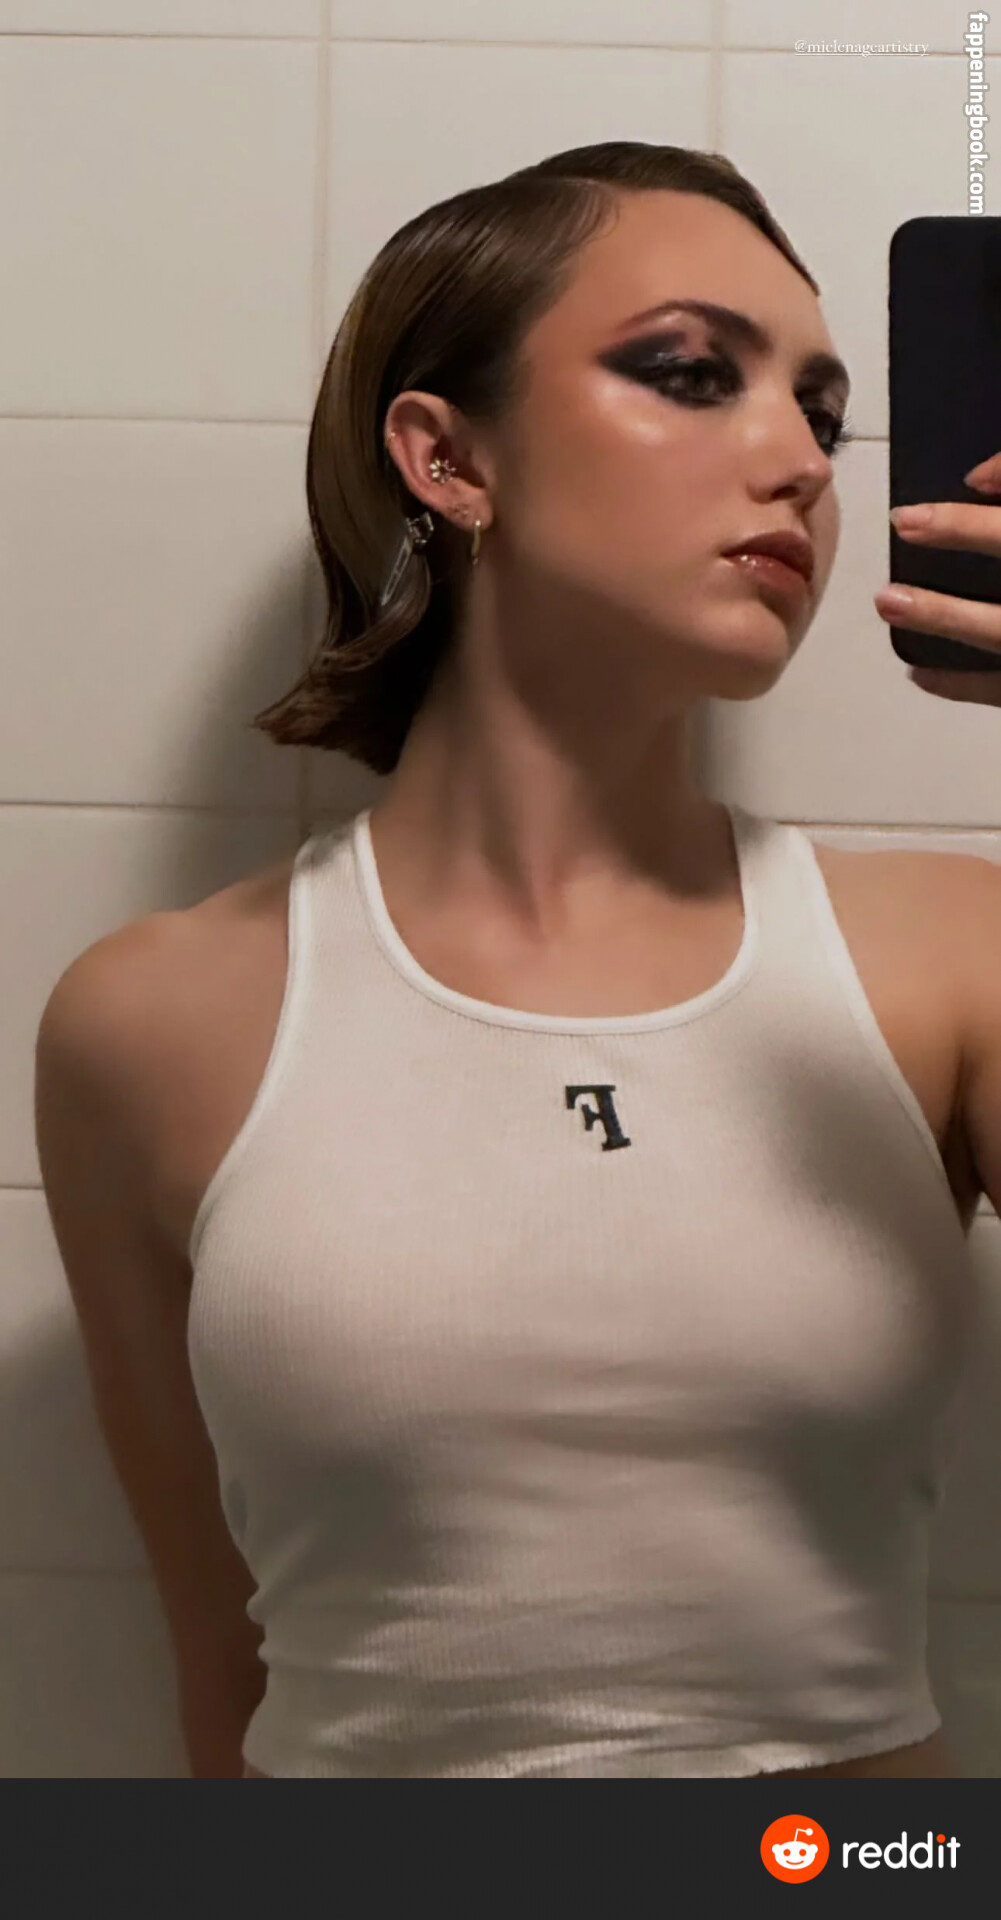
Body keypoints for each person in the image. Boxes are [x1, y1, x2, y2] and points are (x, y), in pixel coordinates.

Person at [40, 141, 986, 1779]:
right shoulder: (150, 1022)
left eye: (821, 416)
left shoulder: (948, 962)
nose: (796, 463)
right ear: (447, 457)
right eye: (690, 374)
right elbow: (219, 1660)